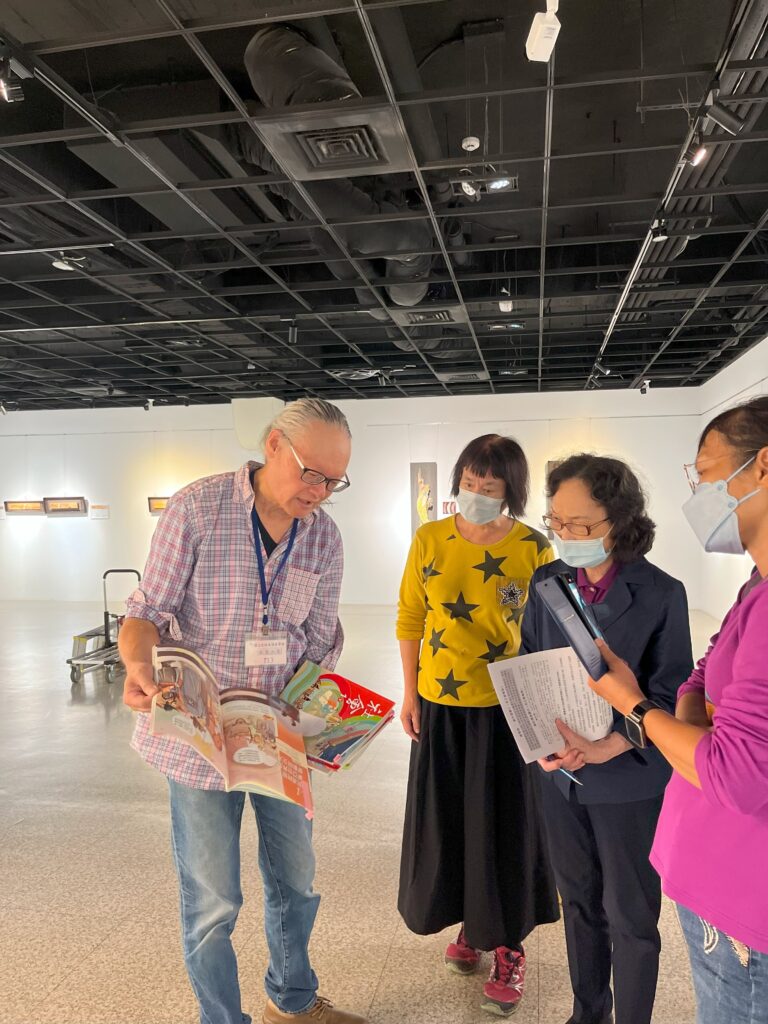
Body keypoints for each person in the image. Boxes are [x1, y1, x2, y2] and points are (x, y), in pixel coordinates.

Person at [119, 397, 366, 1024]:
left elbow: (320, 640)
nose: (319, 492)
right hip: (198, 735)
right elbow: (146, 611)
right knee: (213, 900)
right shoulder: (198, 509)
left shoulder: (323, 537)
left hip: (278, 732)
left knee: (296, 882)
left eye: (333, 482)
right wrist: (139, 665)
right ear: (273, 445)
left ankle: (293, 998)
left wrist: (329, 718)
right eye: (311, 473)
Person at [586, 396, 768, 1024]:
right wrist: (696, 724)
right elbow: (702, 672)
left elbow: (733, 774)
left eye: (707, 474)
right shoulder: (755, 585)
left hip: (747, 912)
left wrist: (632, 705)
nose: (699, 494)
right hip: (719, 886)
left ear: (762, 465)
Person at [520, 454, 693, 1024]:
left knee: (631, 917)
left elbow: (669, 694)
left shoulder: (662, 593)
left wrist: (609, 743)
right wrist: (543, 739)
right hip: (561, 777)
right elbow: (530, 662)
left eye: (581, 525)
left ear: (618, 520)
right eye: (556, 522)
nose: (566, 537)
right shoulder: (547, 581)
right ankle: (586, 1014)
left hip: (628, 779)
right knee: (578, 903)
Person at [396, 433, 559, 1017]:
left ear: (510, 490)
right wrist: (410, 691)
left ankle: (509, 944)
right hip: (440, 702)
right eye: (469, 483)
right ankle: (471, 924)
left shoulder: (533, 547)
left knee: (503, 825)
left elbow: (551, 632)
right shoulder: (430, 539)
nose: (477, 494)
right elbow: (411, 616)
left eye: (490, 487)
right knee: (450, 822)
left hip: (506, 708)